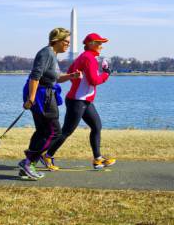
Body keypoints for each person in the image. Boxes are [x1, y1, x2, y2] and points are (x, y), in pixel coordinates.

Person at [41, 33, 116, 170]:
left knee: (96, 126)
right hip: (77, 101)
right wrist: (106, 73)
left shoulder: (84, 57)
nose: (101, 46)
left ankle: (97, 159)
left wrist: (79, 81)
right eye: (99, 43)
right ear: (91, 44)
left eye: (102, 43)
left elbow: (70, 72)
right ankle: (47, 155)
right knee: (66, 131)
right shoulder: (89, 58)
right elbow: (94, 80)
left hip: (83, 100)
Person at [18, 27, 81, 180]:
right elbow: (35, 76)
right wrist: (31, 98)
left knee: (42, 131)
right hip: (41, 97)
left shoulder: (52, 54)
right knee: (54, 132)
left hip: (46, 95)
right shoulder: (46, 53)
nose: (68, 44)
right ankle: (28, 162)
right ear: (56, 41)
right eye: (65, 41)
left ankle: (27, 163)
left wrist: (71, 76)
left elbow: (56, 77)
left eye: (68, 42)